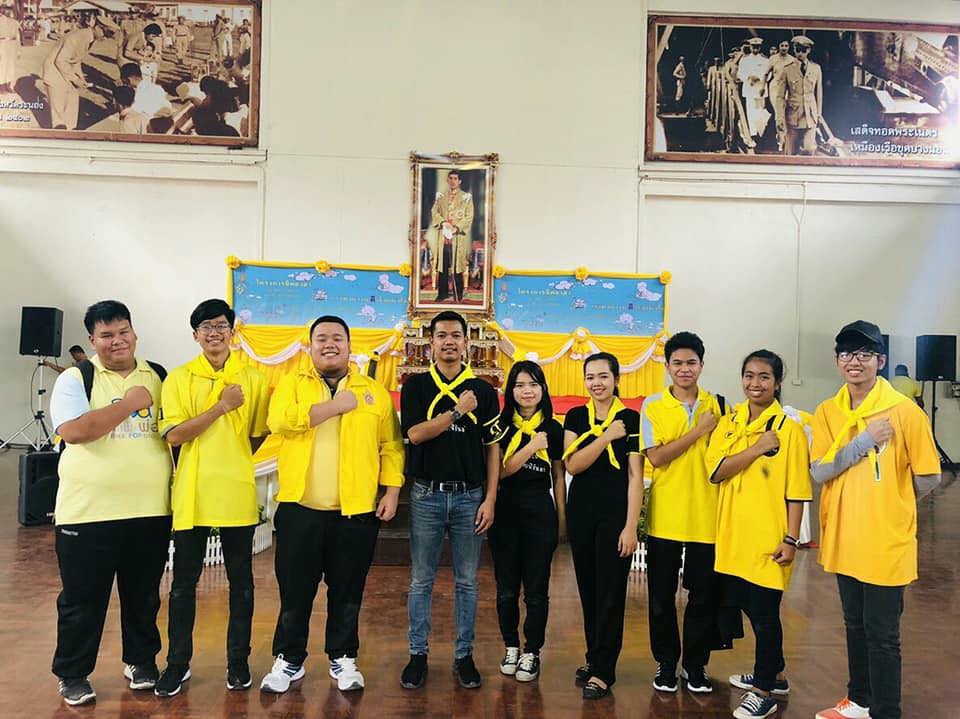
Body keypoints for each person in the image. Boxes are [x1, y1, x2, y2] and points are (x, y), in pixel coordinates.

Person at [260, 315, 404, 694]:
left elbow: (390, 445)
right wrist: (335, 406)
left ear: (349, 346)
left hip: (354, 513)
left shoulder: (373, 392)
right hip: (300, 510)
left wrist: (391, 490)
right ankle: (289, 659)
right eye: (321, 338)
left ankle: (343, 657)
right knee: (295, 591)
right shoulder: (292, 384)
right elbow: (280, 422)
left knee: (347, 590)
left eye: (337, 338)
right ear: (309, 347)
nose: (329, 344)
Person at [811, 321, 940, 719]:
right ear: (837, 361)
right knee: (854, 624)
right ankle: (859, 700)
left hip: (886, 539)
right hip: (844, 536)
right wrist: (865, 441)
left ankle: (886, 711)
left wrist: (892, 504)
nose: (855, 361)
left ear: (880, 361)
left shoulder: (904, 412)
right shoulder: (828, 411)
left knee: (883, 634)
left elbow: (929, 476)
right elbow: (820, 471)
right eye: (847, 354)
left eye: (865, 354)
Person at [48, 300, 172, 706]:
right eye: (106, 335)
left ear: (134, 333)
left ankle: (141, 661)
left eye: (123, 331)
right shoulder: (76, 378)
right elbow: (74, 431)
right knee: (82, 600)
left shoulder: (159, 375)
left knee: (144, 596)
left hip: (150, 510)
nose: (116, 341)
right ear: (92, 340)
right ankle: (72, 673)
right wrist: (128, 404)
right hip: (88, 512)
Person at [154, 299, 270, 697]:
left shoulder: (253, 377)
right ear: (195, 335)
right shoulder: (179, 378)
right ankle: (177, 664)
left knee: (242, 584)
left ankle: (238, 662)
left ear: (232, 332)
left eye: (221, 325)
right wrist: (221, 407)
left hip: (236, 490)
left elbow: (257, 435)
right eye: (206, 327)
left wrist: (232, 459)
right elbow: (174, 435)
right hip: (193, 491)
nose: (214, 333)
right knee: (182, 585)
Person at [706, 350, 813, 719]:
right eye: (749, 375)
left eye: (764, 377)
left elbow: (797, 490)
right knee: (749, 610)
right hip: (733, 536)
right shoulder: (729, 422)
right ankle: (775, 674)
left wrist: (791, 539)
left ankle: (763, 690)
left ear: (777, 382)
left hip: (769, 539)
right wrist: (757, 448)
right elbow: (716, 471)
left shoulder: (789, 430)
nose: (755, 383)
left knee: (766, 616)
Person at [399, 310, 501, 690]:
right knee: (421, 580)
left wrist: (490, 498)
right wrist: (458, 410)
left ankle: (464, 655)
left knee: (468, 582)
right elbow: (416, 434)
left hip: (469, 498)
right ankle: (417, 654)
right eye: (441, 335)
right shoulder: (416, 386)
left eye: (456, 335)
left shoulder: (484, 391)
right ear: (431, 342)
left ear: (466, 342)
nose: (449, 342)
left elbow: (493, 449)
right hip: (427, 495)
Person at [640, 331, 727, 694]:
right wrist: (698, 430)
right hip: (666, 515)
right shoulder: (652, 405)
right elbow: (657, 457)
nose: (684, 369)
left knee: (703, 597)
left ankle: (695, 665)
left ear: (702, 365)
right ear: (667, 366)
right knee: (661, 597)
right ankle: (665, 663)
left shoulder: (719, 404)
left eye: (691, 362)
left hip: (708, 516)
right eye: (677, 362)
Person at [562, 352, 642, 699]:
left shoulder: (632, 418)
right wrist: (606, 436)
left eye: (603, 376)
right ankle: (594, 657)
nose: (596, 383)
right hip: (582, 511)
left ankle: (604, 671)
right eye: (590, 377)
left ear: (616, 379)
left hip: (615, 514)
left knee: (610, 591)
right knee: (589, 589)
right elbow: (573, 465)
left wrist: (630, 526)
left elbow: (635, 476)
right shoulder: (576, 416)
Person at [489, 361, 565, 683]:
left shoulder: (554, 429)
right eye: (520, 385)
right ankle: (511, 646)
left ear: (543, 389)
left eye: (533, 384)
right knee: (506, 589)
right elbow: (500, 471)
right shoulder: (500, 425)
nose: (527, 391)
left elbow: (558, 475)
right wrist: (532, 446)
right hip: (505, 510)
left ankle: (532, 651)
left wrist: (561, 518)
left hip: (539, 510)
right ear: (511, 391)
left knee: (536, 589)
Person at [41, 14, 119, 130]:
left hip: (66, 71)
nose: (106, 38)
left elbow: (76, 60)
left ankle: (71, 132)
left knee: (72, 108)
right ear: (97, 27)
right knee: (59, 115)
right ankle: (60, 135)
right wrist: (75, 79)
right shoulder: (78, 37)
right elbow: (60, 61)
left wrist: (80, 77)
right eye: (106, 34)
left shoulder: (89, 37)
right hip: (55, 73)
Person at [772, 35, 821, 156]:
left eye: (803, 50)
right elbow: (780, 96)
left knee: (809, 149)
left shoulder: (816, 69)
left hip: (810, 115)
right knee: (790, 152)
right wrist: (779, 118)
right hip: (793, 116)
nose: (800, 53)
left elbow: (819, 93)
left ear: (808, 50)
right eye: (798, 50)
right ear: (794, 50)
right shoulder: (787, 69)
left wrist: (818, 113)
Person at [429, 170, 474, 303]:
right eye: (451, 178)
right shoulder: (441, 196)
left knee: (457, 266)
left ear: (459, 181)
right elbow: (434, 211)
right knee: (442, 267)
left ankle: (457, 294)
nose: (453, 181)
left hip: (457, 237)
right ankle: (442, 293)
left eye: (455, 178)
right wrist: (443, 222)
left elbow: (469, 216)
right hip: (443, 237)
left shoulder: (466, 197)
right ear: (447, 180)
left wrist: (456, 227)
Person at [765, 40, 796, 152]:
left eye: (786, 46)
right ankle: (780, 140)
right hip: (776, 88)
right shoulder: (773, 59)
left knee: (788, 113)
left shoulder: (792, 59)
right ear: (779, 46)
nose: (784, 48)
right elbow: (766, 73)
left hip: (788, 88)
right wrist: (762, 88)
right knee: (779, 114)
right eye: (782, 45)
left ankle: (788, 139)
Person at [737, 37, 770, 141]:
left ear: (760, 47)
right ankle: (753, 133)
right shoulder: (744, 60)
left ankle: (761, 132)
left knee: (760, 111)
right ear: (750, 47)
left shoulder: (765, 60)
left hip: (760, 89)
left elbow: (769, 74)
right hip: (749, 89)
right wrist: (748, 77)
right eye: (753, 46)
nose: (755, 48)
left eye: (757, 47)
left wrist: (758, 78)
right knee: (750, 111)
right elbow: (740, 73)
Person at [0, 7, 19, 95]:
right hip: (2, 44)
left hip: (12, 45)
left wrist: (19, 50)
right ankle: (1, 86)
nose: (11, 13)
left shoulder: (15, 22)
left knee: (11, 66)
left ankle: (9, 85)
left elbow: (18, 36)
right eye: (8, 10)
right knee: (2, 65)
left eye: (11, 11)